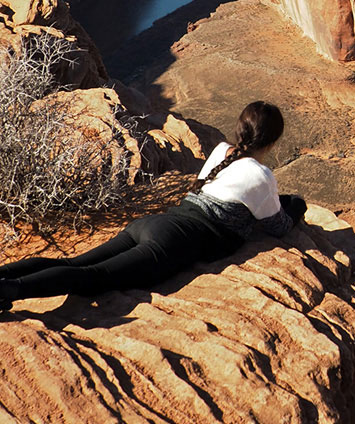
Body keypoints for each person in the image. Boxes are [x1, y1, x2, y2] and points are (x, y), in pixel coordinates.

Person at [0, 101, 306, 310]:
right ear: (273, 141)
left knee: (74, 264)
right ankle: (9, 291)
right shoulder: (261, 175)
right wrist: (296, 206)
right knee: (94, 278)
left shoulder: (223, 150)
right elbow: (278, 227)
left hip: (153, 224)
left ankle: (6, 275)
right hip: (171, 242)